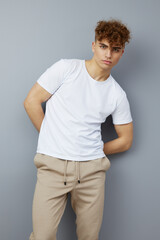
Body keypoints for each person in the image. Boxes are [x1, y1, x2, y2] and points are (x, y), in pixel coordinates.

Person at [24, 18, 133, 240]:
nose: (108, 54)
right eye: (103, 46)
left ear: (122, 52)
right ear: (93, 46)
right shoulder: (66, 68)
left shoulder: (117, 94)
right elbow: (31, 101)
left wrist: (92, 148)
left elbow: (125, 140)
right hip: (53, 166)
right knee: (42, 236)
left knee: (89, 237)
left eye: (115, 49)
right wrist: (51, 135)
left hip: (92, 172)